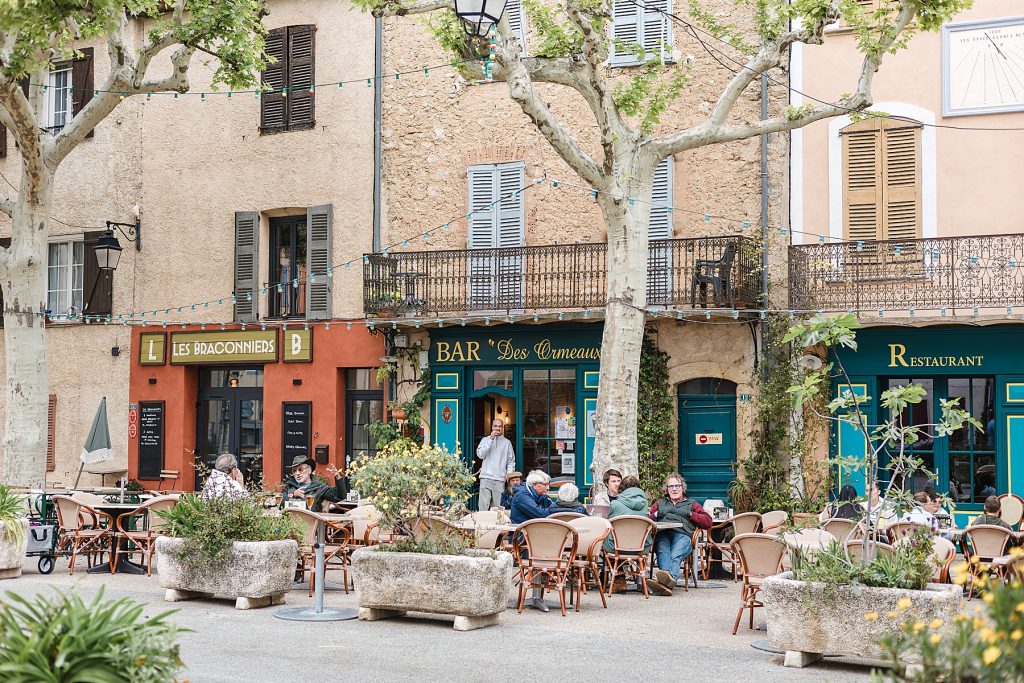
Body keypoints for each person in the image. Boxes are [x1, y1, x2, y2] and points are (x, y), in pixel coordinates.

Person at [649, 473, 712, 596]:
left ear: (683, 487)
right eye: (671, 486)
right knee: (662, 549)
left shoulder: (692, 504)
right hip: (663, 533)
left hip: (683, 535)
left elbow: (708, 522)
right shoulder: (660, 503)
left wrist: (690, 514)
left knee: (675, 554)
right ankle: (668, 582)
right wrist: (656, 514)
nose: (674, 489)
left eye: (677, 486)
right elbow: (648, 519)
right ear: (666, 489)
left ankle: (664, 582)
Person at [281, 454, 349, 510]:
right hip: (290, 523)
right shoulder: (289, 485)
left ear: (309, 470)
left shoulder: (319, 487)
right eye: (294, 471)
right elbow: (280, 504)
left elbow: (340, 496)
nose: (297, 473)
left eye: (300, 469)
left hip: (311, 523)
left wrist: (337, 477)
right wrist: (293, 494)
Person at [476, 418, 515, 511]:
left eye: (500, 426)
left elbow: (511, 461)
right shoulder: (485, 440)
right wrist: (491, 439)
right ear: (492, 427)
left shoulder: (507, 443)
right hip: (486, 477)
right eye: (495, 426)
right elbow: (480, 455)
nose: (498, 428)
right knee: (483, 506)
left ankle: (495, 526)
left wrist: (509, 474)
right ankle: (482, 525)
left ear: (503, 428)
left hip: (499, 479)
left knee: (498, 508)